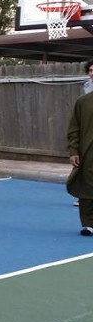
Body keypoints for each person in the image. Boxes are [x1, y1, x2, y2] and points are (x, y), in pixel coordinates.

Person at [66, 84, 93, 235]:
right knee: (86, 187)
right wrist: (73, 151)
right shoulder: (83, 102)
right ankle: (88, 224)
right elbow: (74, 129)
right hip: (88, 153)